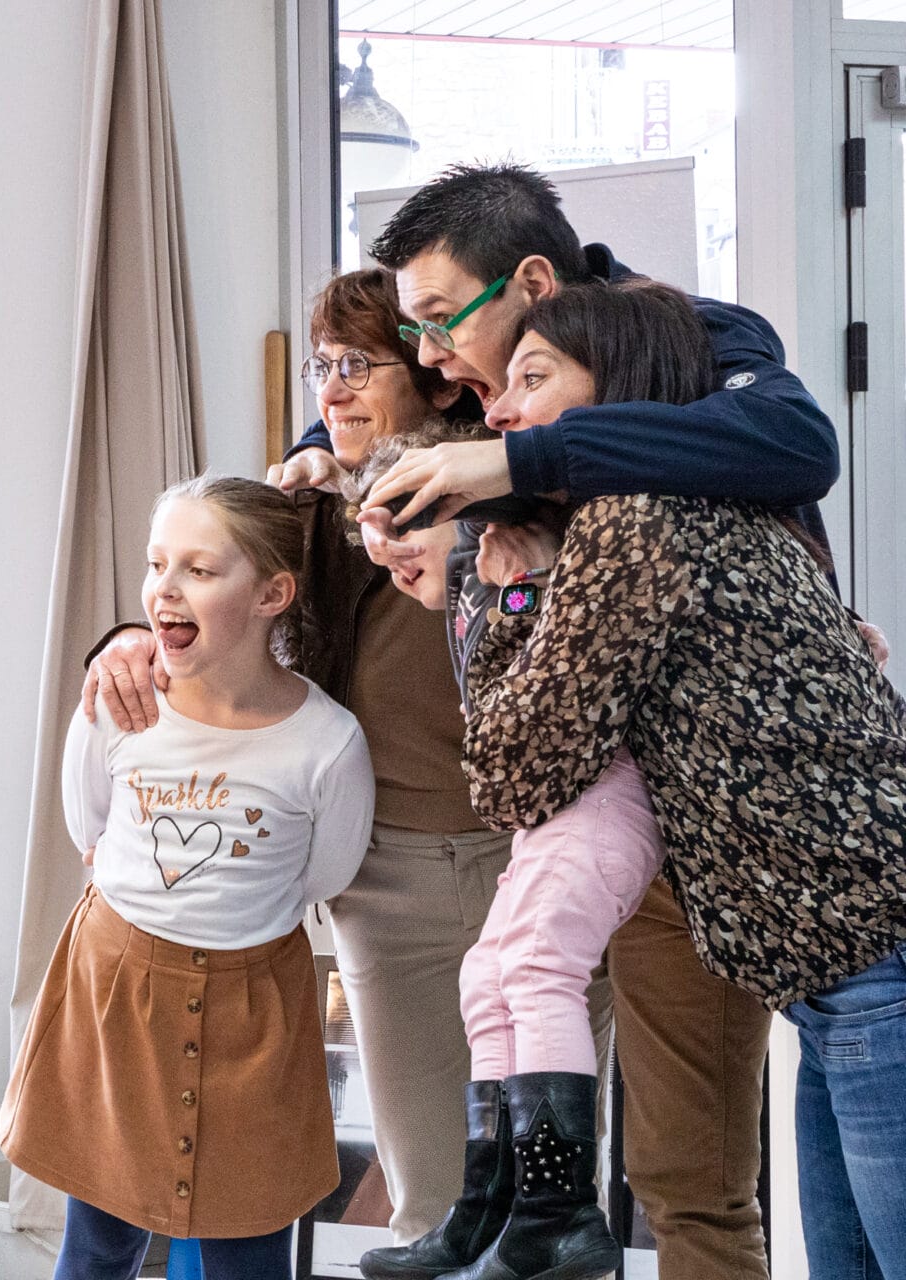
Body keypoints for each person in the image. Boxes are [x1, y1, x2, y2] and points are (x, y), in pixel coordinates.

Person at [336, 161, 835, 1280]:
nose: (430, 360)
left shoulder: (694, 339)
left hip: (692, 821)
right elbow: (349, 459)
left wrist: (514, 462)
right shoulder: (458, 385)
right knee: (504, 1046)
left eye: (436, 320)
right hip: (545, 800)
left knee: (689, 1183)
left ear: (529, 278)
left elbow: (798, 447)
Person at [89, 270, 589, 1261]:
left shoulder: (521, 502)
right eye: (324, 366)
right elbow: (202, 601)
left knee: (541, 1216)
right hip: (388, 883)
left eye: (359, 364)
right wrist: (125, 640)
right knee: (431, 1203)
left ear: (441, 380)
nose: (331, 388)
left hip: (534, 866)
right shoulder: (307, 515)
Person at [440, 280, 906, 1280]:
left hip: (872, 969)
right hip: (840, 976)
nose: (502, 413)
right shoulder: (715, 506)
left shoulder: (637, 520)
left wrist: (510, 588)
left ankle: (546, 1213)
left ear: (621, 396)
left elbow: (519, 771)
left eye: (533, 379)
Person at [2, 475, 376, 1280]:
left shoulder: (328, 743)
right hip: (118, 998)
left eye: (200, 570)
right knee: (98, 1243)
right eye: (156, 564)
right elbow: (89, 826)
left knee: (248, 1249)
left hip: (255, 1015)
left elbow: (326, 872)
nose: (164, 589)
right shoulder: (120, 704)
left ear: (274, 591)